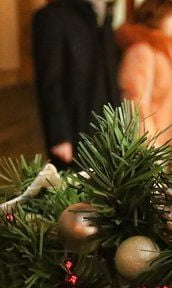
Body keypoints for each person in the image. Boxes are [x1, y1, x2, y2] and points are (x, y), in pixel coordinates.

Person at [32, 0, 121, 168]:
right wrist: (59, 136)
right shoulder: (53, 16)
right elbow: (49, 81)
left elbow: (110, 77)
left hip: (106, 128)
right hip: (76, 127)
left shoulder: (103, 15)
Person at [116, 0, 172, 143]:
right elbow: (135, 101)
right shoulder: (142, 50)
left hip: (165, 141)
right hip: (151, 145)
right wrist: (149, 145)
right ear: (158, 16)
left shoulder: (166, 49)